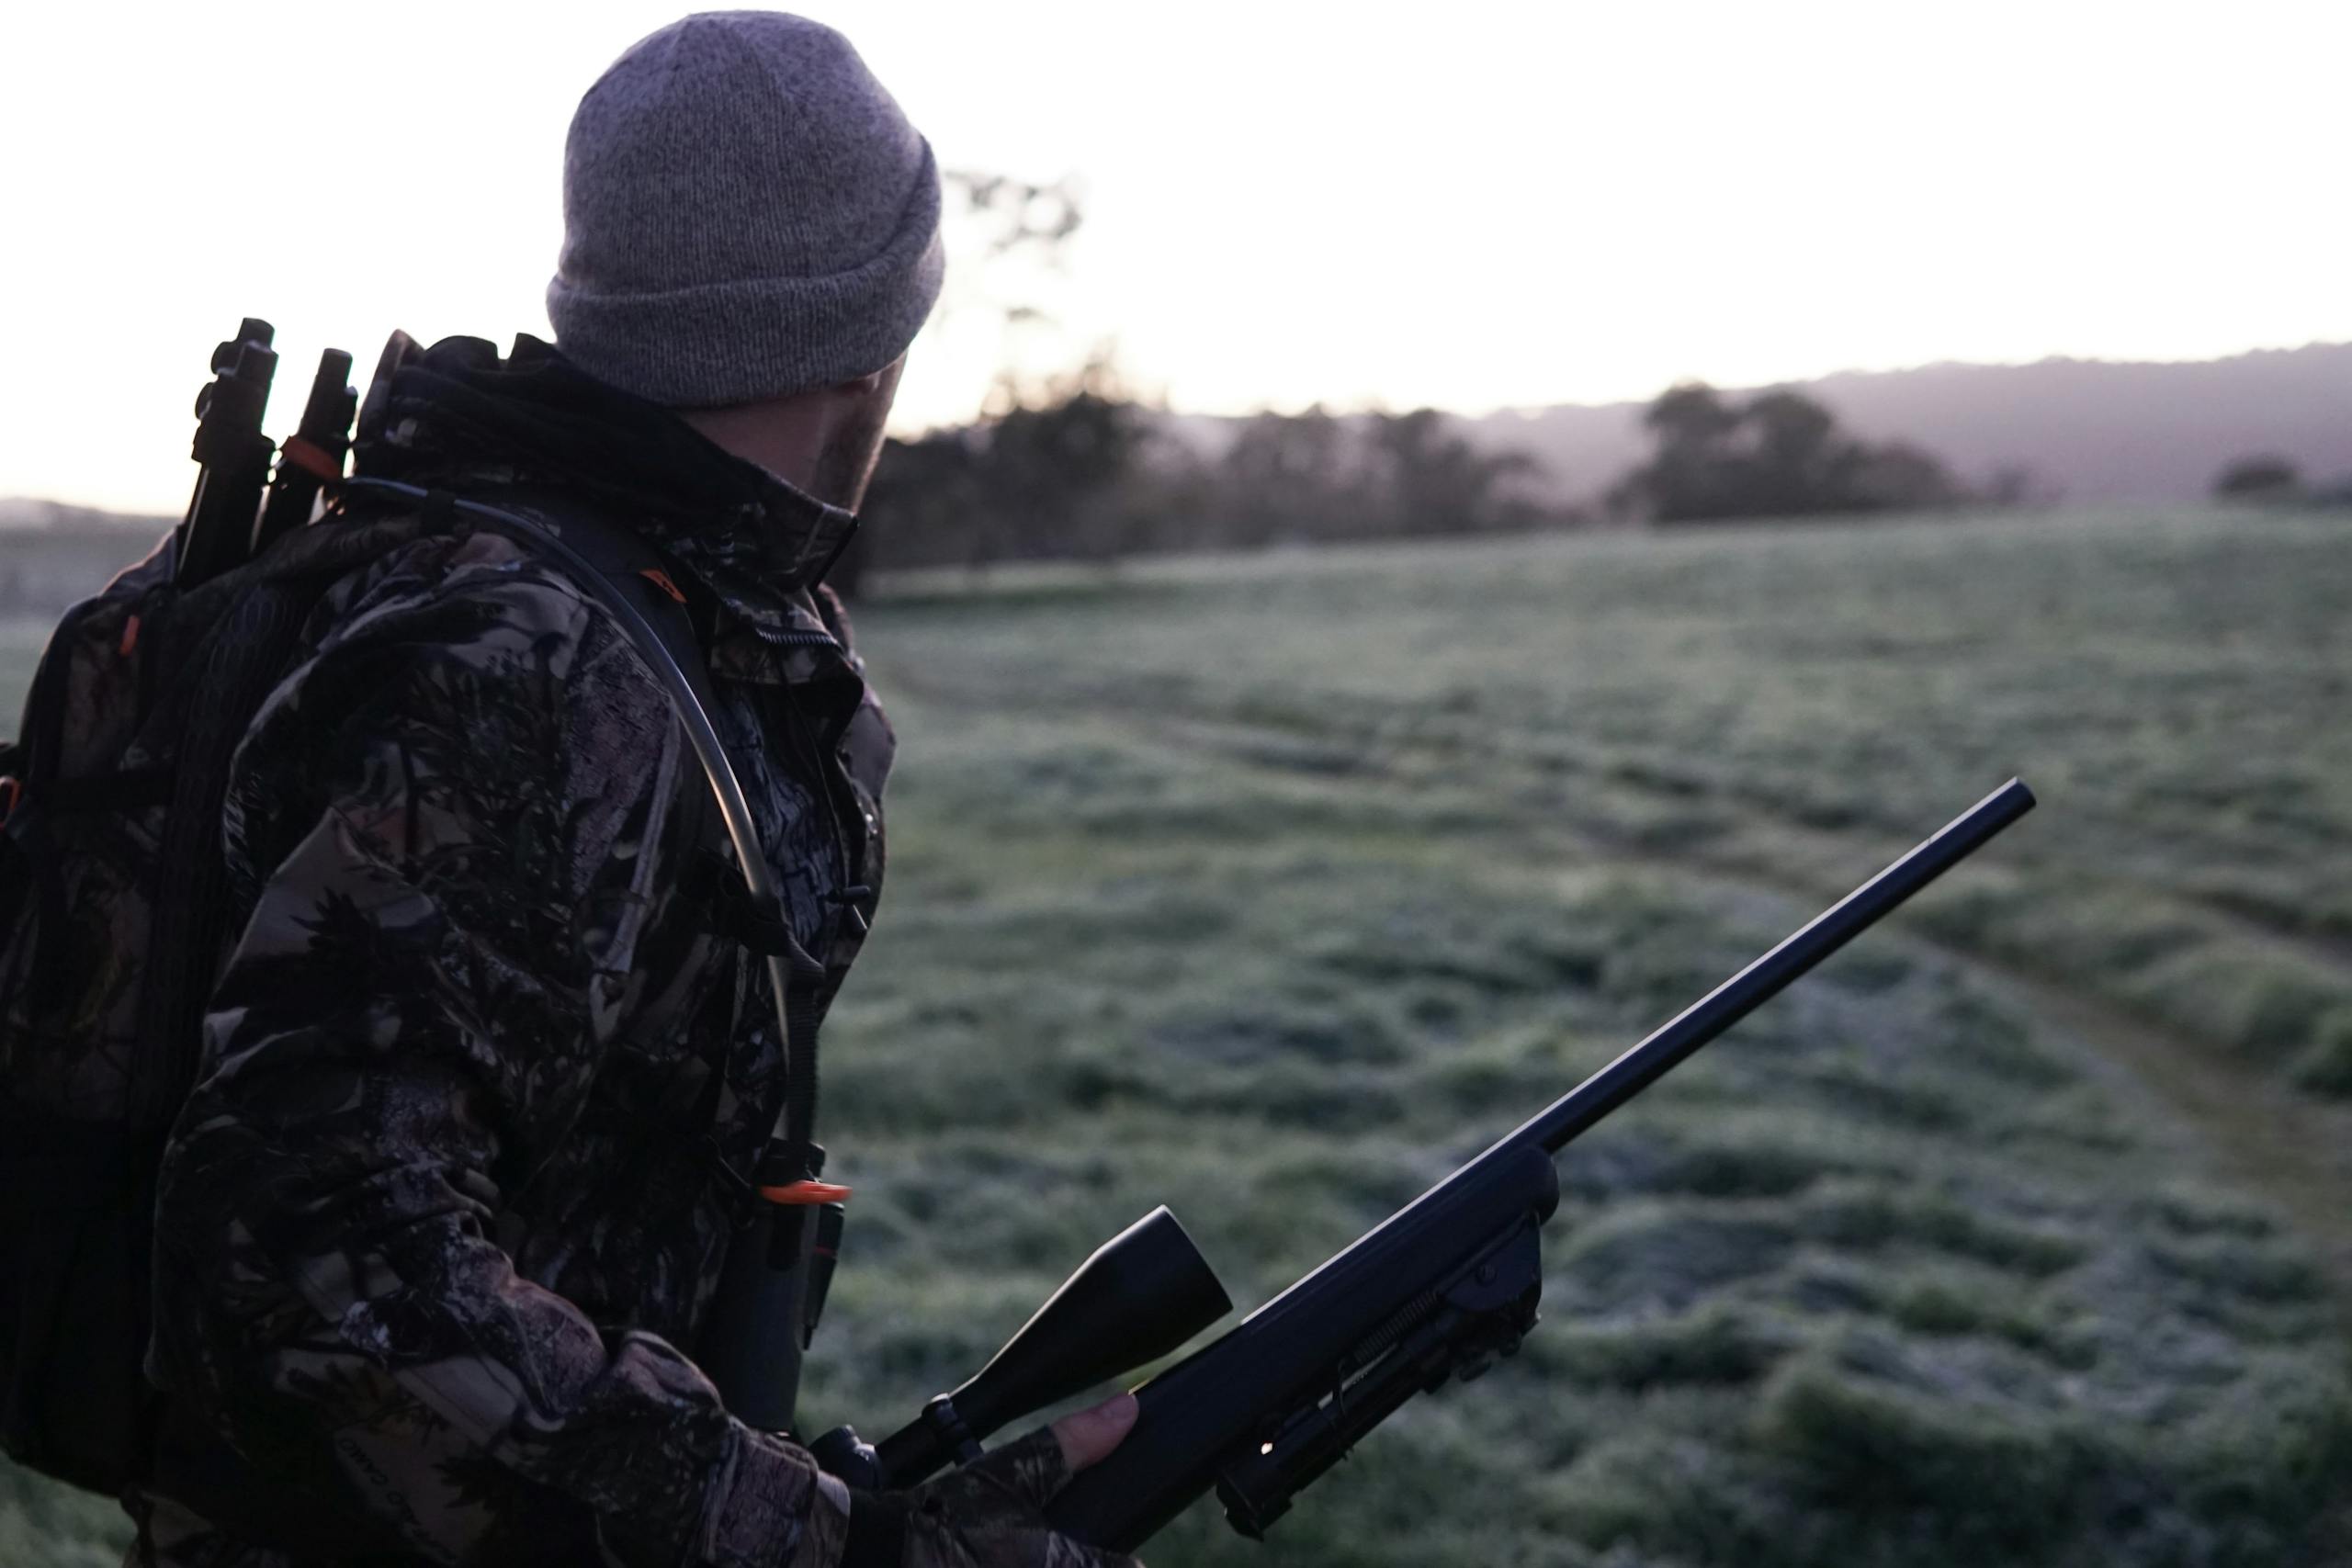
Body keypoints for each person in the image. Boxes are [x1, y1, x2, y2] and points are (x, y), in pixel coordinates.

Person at [132, 13, 1136, 1567]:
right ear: (880, 322)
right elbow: (317, 1231)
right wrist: (819, 1542)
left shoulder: (634, 594)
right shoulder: (532, 657)